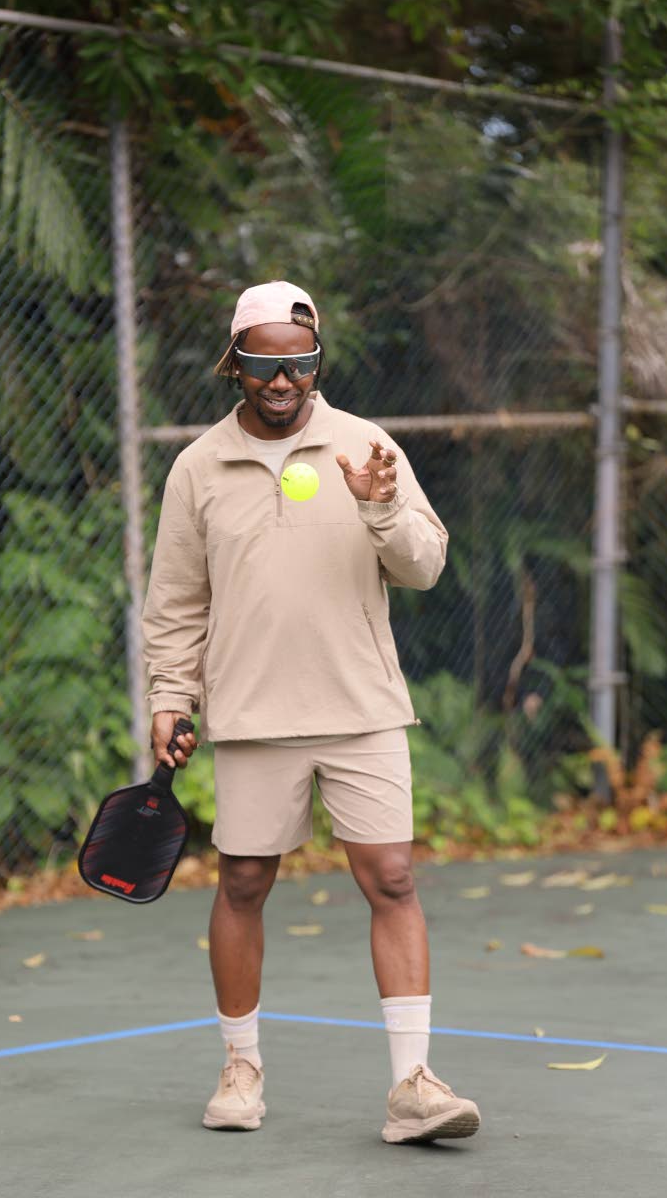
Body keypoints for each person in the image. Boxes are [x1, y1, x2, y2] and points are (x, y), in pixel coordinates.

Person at [142, 280, 480, 1144]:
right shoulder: (197, 468)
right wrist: (170, 698)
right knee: (244, 884)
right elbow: (176, 603)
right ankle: (240, 1069)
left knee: (393, 879)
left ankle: (413, 1086)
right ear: (235, 365)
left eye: (296, 362)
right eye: (262, 362)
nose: (282, 378)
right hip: (251, 714)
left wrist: (382, 504)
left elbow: (425, 567)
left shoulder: (366, 446)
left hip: (360, 708)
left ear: (315, 360)